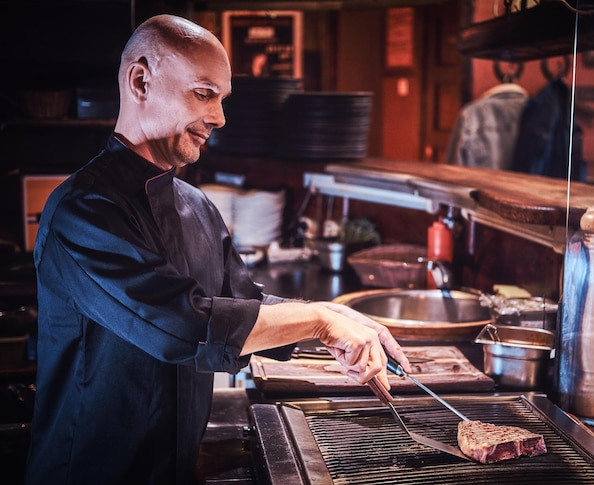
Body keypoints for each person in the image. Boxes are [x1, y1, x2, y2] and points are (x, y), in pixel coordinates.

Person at [25, 14, 411, 485]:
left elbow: (243, 304)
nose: (220, 118)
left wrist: (338, 324)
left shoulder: (196, 205)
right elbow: (183, 327)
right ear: (140, 81)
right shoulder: (82, 210)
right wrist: (323, 320)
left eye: (222, 100)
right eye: (204, 93)